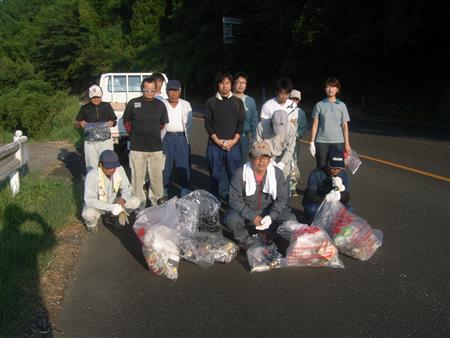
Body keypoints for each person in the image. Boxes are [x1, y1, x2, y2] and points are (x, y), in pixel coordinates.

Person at [223, 142, 296, 247]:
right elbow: (234, 199)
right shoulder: (240, 173)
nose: (262, 161)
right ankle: (244, 241)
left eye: (265, 157)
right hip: (248, 209)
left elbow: (282, 199)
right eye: (258, 157)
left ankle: (271, 235)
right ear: (250, 157)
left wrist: (271, 216)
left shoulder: (277, 174)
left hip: (269, 209)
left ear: (270, 158)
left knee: (291, 219)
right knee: (231, 219)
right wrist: (252, 217)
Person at [122, 77, 169, 209]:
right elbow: (126, 122)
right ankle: (139, 203)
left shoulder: (160, 105)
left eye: (152, 90)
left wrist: (151, 132)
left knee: (156, 178)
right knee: (137, 178)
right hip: (137, 148)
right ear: (142, 89)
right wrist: (136, 133)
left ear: (156, 90)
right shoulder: (133, 103)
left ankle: (157, 202)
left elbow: (162, 123)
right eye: (146, 90)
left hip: (155, 148)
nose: (149, 93)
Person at [204, 71, 245, 199]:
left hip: (233, 146)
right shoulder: (210, 102)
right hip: (215, 145)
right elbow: (208, 124)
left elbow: (240, 124)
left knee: (234, 176)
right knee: (215, 176)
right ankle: (213, 203)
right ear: (218, 85)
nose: (224, 86)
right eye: (221, 83)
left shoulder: (238, 102)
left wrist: (233, 141)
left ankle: (234, 203)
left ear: (231, 85)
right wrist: (218, 141)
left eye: (227, 83)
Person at [82, 150, 140, 233]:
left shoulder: (119, 169)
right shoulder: (91, 176)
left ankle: (112, 217)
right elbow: (89, 200)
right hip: (97, 205)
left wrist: (123, 199)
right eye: (108, 167)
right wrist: (110, 207)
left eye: (114, 166)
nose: (111, 170)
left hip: (112, 201)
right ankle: (92, 226)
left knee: (135, 201)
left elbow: (127, 188)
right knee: (88, 214)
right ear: (100, 164)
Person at [309, 77, 351, 168]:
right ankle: (321, 182)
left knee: (337, 167)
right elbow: (315, 124)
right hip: (321, 142)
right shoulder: (319, 105)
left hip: (338, 142)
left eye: (333, 87)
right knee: (321, 166)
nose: (330, 89)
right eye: (328, 87)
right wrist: (312, 142)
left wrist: (347, 144)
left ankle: (335, 183)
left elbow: (345, 126)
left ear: (337, 89)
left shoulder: (342, 106)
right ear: (325, 89)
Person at [74, 84, 117, 173]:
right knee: (91, 165)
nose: (96, 99)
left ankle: (108, 185)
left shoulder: (107, 106)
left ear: (101, 96)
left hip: (105, 140)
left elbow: (114, 121)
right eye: (94, 97)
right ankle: (93, 184)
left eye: (98, 97)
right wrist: (80, 124)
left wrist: (112, 123)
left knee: (108, 164)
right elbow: (76, 123)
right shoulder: (85, 108)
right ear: (90, 98)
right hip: (90, 141)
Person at [162, 80, 193, 198]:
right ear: (167, 91)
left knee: (183, 164)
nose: (173, 93)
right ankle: (164, 188)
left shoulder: (185, 104)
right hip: (166, 137)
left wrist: (185, 138)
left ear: (180, 91)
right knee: (165, 165)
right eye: (170, 90)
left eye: (175, 90)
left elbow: (189, 123)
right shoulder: (162, 104)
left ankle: (185, 188)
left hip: (181, 138)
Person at [302, 148, 351, 223]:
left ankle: (337, 227)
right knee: (312, 209)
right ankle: (313, 222)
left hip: (335, 203)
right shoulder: (316, 174)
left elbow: (347, 197)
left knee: (349, 210)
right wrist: (326, 198)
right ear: (327, 163)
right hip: (318, 201)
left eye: (339, 168)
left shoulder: (344, 175)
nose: (336, 170)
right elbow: (310, 196)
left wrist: (340, 192)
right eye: (333, 167)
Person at [256, 109, 296, 180]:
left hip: (283, 158)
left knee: (283, 181)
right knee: (265, 181)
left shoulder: (291, 128)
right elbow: (258, 144)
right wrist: (268, 158)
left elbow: (290, 148)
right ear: (271, 121)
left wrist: (282, 163)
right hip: (266, 157)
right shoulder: (261, 126)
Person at [233, 71, 258, 163]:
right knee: (229, 163)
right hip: (229, 137)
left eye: (243, 83)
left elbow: (254, 122)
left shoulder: (250, 101)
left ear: (246, 85)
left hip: (244, 137)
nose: (240, 85)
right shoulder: (227, 98)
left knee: (243, 162)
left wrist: (255, 139)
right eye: (238, 82)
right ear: (234, 83)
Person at [289, 89, 307, 194]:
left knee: (294, 163)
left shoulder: (301, 113)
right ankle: (281, 185)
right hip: (283, 141)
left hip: (295, 142)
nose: (293, 101)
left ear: (299, 101)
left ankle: (292, 186)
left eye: (296, 99)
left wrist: (295, 135)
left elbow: (303, 128)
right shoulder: (283, 109)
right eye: (292, 98)